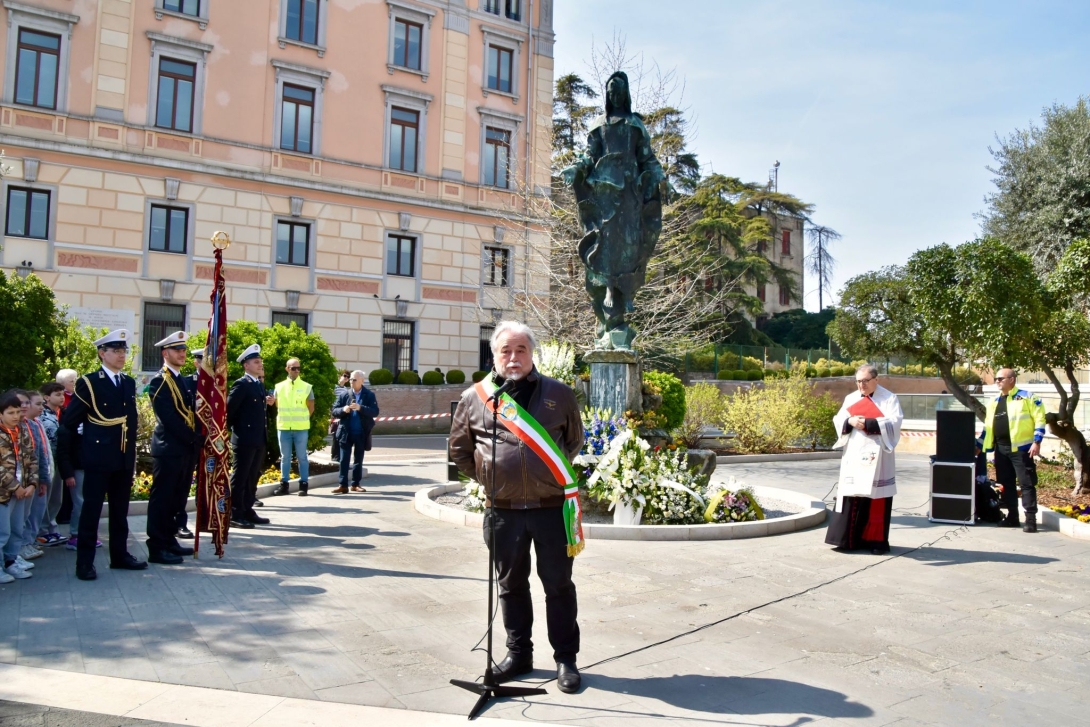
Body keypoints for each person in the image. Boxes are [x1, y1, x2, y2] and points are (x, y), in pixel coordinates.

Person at [448, 321, 585, 694]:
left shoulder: (559, 394)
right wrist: (493, 477)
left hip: (550, 508)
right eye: (505, 350)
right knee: (510, 585)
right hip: (503, 510)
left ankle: (566, 659)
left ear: (531, 353)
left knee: (558, 585)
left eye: (521, 349)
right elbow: (459, 451)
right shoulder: (475, 398)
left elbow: (572, 442)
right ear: (494, 355)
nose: (513, 357)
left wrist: (541, 476)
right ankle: (518, 654)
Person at [59, 329, 146, 580]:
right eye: (116, 351)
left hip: (122, 456)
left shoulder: (127, 382)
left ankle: (119, 556)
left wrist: (130, 456)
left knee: (120, 511)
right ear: (102, 353)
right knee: (92, 511)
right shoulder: (89, 382)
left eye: (123, 351)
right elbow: (70, 422)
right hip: (98, 457)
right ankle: (84, 562)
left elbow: (131, 420)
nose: (121, 355)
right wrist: (79, 453)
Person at [826, 364, 904, 555]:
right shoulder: (851, 398)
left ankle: (875, 541)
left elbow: (895, 422)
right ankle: (847, 540)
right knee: (851, 495)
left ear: (876, 380)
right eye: (859, 381)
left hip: (878, 455)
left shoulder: (889, 398)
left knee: (876, 497)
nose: (862, 385)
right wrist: (849, 421)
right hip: (854, 452)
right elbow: (839, 419)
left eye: (865, 381)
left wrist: (869, 423)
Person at [145, 332, 199, 565]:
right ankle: (156, 546)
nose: (182, 354)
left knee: (177, 499)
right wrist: (195, 439)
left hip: (183, 449)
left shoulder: (181, 379)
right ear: (165, 353)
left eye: (184, 350)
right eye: (177, 350)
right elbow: (169, 418)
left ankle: (169, 540)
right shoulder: (160, 380)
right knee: (163, 500)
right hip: (169, 448)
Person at [979, 368, 1046, 533]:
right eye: (996, 379)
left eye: (1000, 378)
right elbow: (988, 427)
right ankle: (1012, 517)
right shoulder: (994, 402)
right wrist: (979, 446)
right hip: (1001, 451)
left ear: (1012, 379)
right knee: (1006, 485)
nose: (997, 381)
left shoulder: (1027, 397)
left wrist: (1037, 441)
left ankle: (1031, 520)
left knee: (1027, 484)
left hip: (1022, 450)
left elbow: (1040, 418)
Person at [227, 344, 273, 528]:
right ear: (246, 365)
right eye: (256, 362)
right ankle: (234, 512)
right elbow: (229, 411)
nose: (260, 364)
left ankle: (247, 509)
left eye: (260, 361)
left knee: (252, 476)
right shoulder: (241, 384)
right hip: (244, 439)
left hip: (258, 438)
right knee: (240, 477)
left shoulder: (258, 384)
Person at [0, 391, 38, 582]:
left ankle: (11, 561)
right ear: (1, 414)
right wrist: (15, 487)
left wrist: (32, 483)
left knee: (17, 528)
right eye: (10, 413)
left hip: (23, 490)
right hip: (4, 493)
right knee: (2, 531)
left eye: (17, 412)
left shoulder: (22, 430)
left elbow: (31, 457)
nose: (15, 416)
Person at [271, 357, 314, 496]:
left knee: (302, 457)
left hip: (301, 428)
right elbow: (276, 404)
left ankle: (304, 484)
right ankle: (284, 485)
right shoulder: (279, 386)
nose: (296, 370)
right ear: (287, 369)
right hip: (283, 427)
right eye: (293, 368)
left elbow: (311, 408)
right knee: (285, 457)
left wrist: (301, 419)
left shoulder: (307, 387)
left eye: (298, 368)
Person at [20, 391, 54, 563]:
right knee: (25, 515)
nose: (41, 407)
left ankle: (29, 541)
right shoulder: (25, 426)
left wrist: (44, 477)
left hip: (39, 476)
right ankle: (21, 546)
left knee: (36, 512)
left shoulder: (36, 423)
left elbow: (42, 452)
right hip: (26, 480)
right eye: (38, 404)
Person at [331, 370, 378, 494]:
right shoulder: (344, 394)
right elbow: (334, 411)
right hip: (346, 432)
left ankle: (356, 484)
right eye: (351, 379)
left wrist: (361, 408)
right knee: (343, 460)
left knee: (358, 460)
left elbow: (375, 411)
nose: (351, 382)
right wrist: (343, 409)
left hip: (361, 432)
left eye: (354, 380)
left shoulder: (369, 395)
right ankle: (343, 485)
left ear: (362, 381)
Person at [36, 383, 66, 547]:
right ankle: (42, 531)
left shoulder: (62, 413)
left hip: (59, 461)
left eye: (62, 394)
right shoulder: (43, 416)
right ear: (47, 397)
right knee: (46, 498)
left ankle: (51, 528)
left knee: (56, 498)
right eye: (57, 394)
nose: (61, 397)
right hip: (48, 463)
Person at [330, 370, 350, 463]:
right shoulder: (333, 387)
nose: (346, 378)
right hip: (334, 414)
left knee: (341, 435)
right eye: (345, 375)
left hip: (342, 413)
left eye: (348, 377)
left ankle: (339, 457)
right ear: (339, 376)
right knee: (335, 435)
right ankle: (334, 457)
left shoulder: (346, 390)